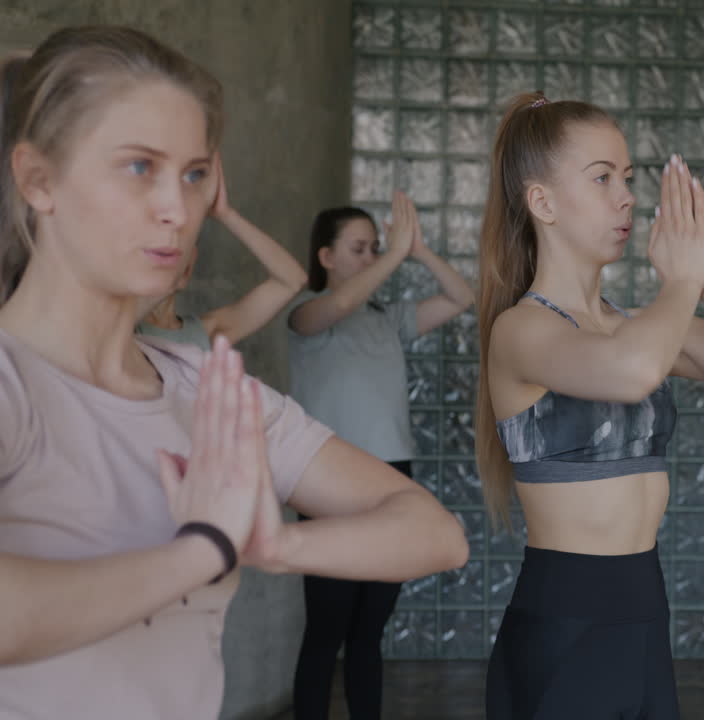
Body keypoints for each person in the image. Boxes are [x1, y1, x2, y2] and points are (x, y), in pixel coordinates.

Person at [0, 26, 468, 720]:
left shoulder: (207, 389)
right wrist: (203, 550)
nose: (177, 209)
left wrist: (275, 542)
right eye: (139, 167)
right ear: (39, 179)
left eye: (194, 174)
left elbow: (437, 534)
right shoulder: (14, 382)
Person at [475, 92, 704, 720]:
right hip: (564, 618)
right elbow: (634, 372)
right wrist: (682, 285)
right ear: (543, 202)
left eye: (630, 179)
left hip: (643, 609)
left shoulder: (641, 326)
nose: (628, 198)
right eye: (603, 178)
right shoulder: (521, 331)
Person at [288, 191, 474, 719]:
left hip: (394, 476)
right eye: (360, 249)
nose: (371, 257)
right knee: (327, 629)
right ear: (326, 257)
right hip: (328, 480)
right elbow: (339, 304)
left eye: (375, 248)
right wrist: (393, 256)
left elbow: (461, 297)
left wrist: (416, 250)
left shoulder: (387, 316)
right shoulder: (305, 313)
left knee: (370, 632)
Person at [137, 154, 307, 350]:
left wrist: (225, 214)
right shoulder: (120, 329)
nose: (172, 250)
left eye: (181, 249)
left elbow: (292, 280)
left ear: (191, 264)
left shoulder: (208, 331)